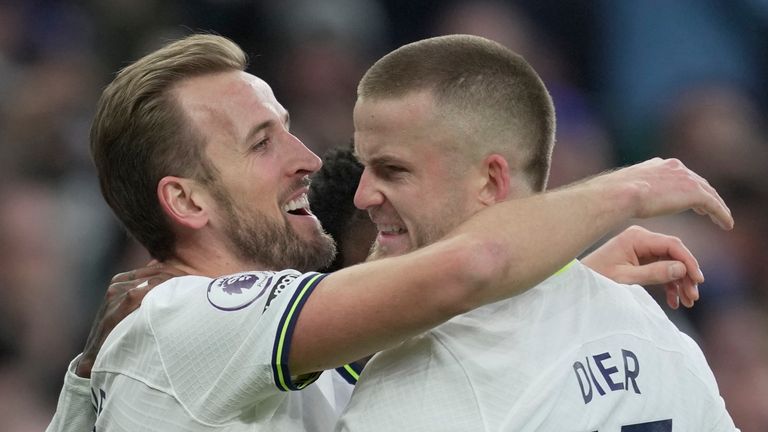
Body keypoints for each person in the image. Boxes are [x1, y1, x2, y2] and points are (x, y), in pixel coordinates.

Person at [45, 33, 732, 431]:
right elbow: (468, 267)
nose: (309, 160)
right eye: (262, 142)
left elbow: (408, 331)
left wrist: (562, 292)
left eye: (288, 126)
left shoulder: (280, 348)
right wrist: (628, 188)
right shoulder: (178, 321)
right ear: (186, 200)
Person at [334, 35, 737, 431]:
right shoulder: (659, 334)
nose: (362, 196)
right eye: (363, 166)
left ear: (491, 181)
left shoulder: (416, 387)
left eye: (393, 170)